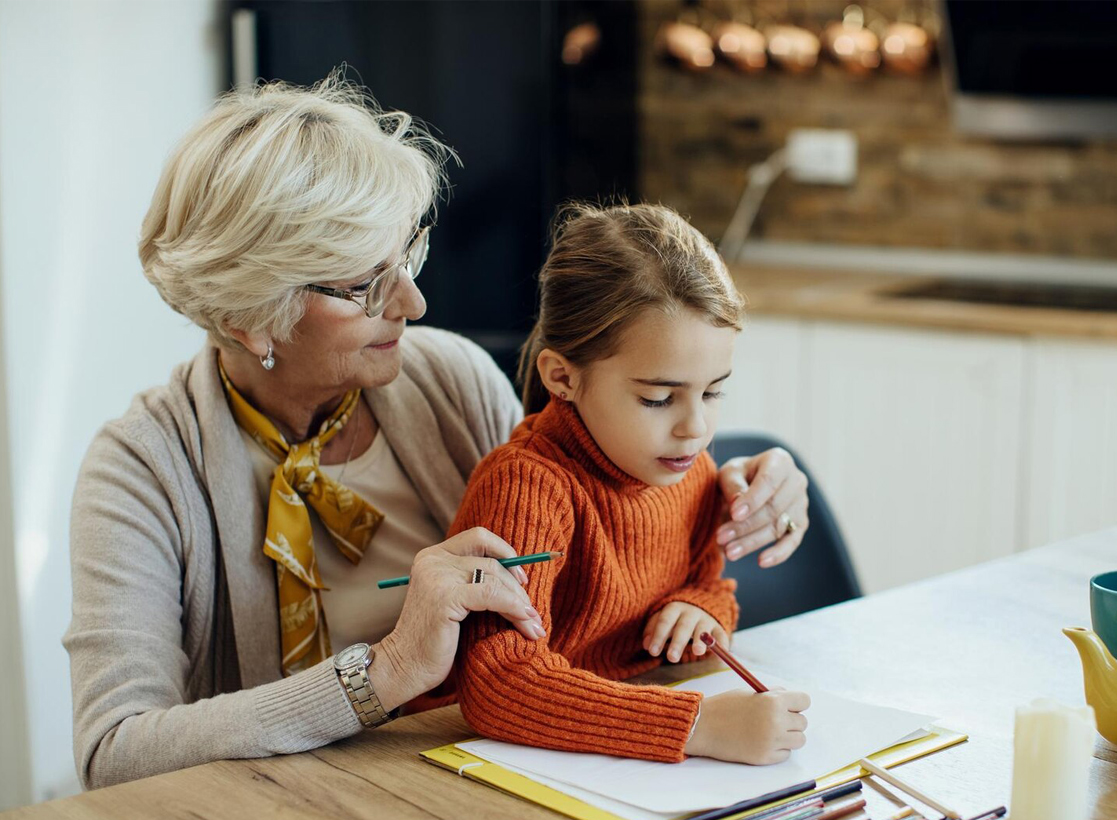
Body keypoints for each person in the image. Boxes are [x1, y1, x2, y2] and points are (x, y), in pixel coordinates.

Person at [64, 76, 811, 790]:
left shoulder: (448, 379)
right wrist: (384, 673)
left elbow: (588, 543)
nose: (415, 303)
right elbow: (114, 752)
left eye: (408, 256)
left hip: (462, 778)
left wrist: (732, 494)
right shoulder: (140, 471)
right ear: (246, 314)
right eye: (365, 284)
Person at [451, 203, 810, 766]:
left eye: (713, 392)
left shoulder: (685, 467)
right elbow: (498, 682)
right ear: (563, 377)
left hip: (618, 748)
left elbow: (709, 582)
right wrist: (698, 726)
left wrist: (702, 609)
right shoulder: (525, 484)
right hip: (489, 762)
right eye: (659, 398)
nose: (696, 428)